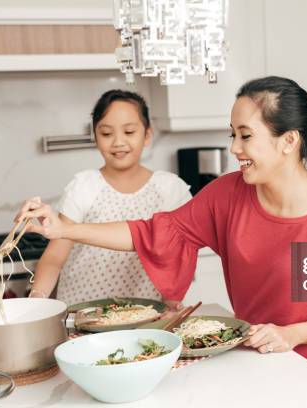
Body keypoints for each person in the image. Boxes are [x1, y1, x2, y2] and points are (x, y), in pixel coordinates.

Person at [18, 76, 307, 383]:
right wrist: (67, 229)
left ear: (288, 141)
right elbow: (153, 233)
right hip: (251, 363)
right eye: (232, 134)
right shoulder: (229, 194)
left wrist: (291, 333)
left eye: (245, 136)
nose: (233, 147)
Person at [27, 89, 191, 305]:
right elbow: (55, 257)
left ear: (147, 135)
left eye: (129, 132)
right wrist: (37, 300)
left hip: (147, 315)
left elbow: (181, 257)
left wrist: (171, 304)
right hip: (81, 313)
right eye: (106, 133)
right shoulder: (84, 186)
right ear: (95, 137)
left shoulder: (170, 189)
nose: (118, 142)